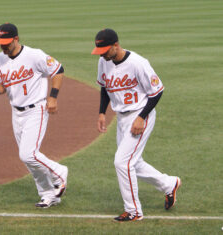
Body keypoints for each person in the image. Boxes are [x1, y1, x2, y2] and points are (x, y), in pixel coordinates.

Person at [91, 29, 181, 222]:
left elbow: (156, 91)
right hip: (121, 117)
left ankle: (133, 211)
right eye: (100, 51)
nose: (103, 54)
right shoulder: (103, 62)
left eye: (106, 50)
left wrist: (141, 117)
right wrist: (101, 112)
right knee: (134, 162)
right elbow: (105, 88)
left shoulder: (138, 63)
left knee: (122, 162)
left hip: (140, 114)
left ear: (116, 45)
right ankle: (169, 184)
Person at [0, 23, 68, 208]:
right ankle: (48, 195)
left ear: (16, 39)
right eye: (0, 43)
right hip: (16, 112)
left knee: (28, 154)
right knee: (30, 160)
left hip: (36, 109)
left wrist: (53, 97)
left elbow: (58, 70)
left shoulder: (34, 55)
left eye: (6, 42)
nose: (3, 46)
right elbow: (2, 85)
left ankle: (59, 172)